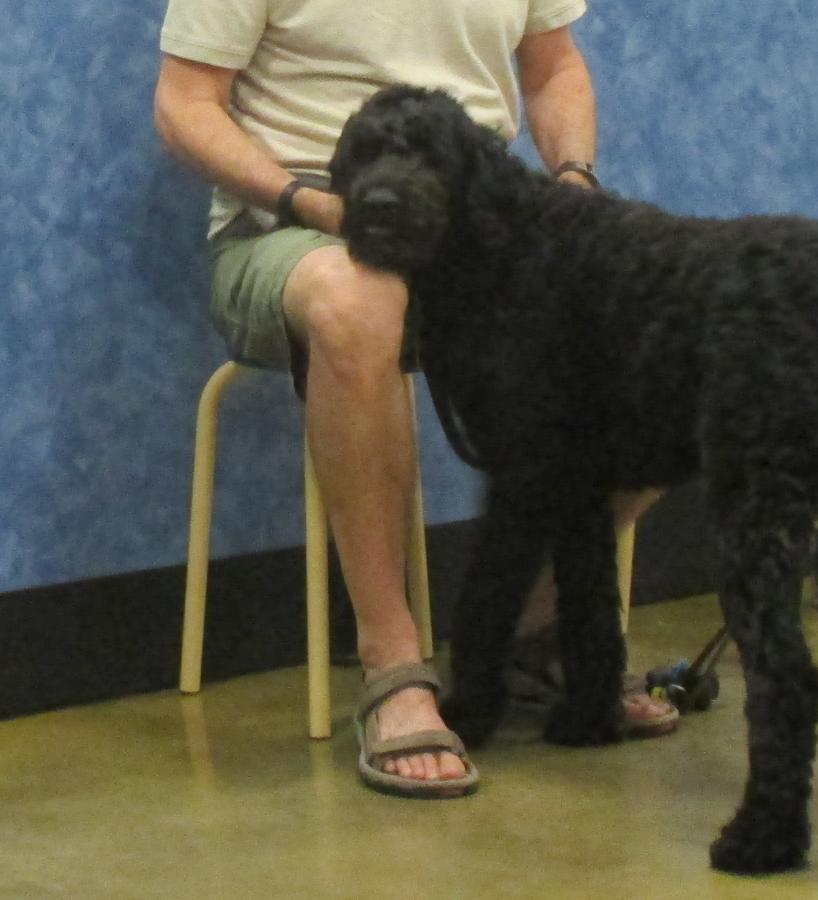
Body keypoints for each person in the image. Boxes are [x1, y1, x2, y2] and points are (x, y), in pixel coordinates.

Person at [154, 0, 676, 798]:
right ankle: (393, 665)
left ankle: (538, 629)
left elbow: (554, 68)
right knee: (360, 300)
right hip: (295, 224)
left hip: (475, 222)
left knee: (659, 324)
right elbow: (184, 103)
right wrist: (308, 201)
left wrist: (574, 178)